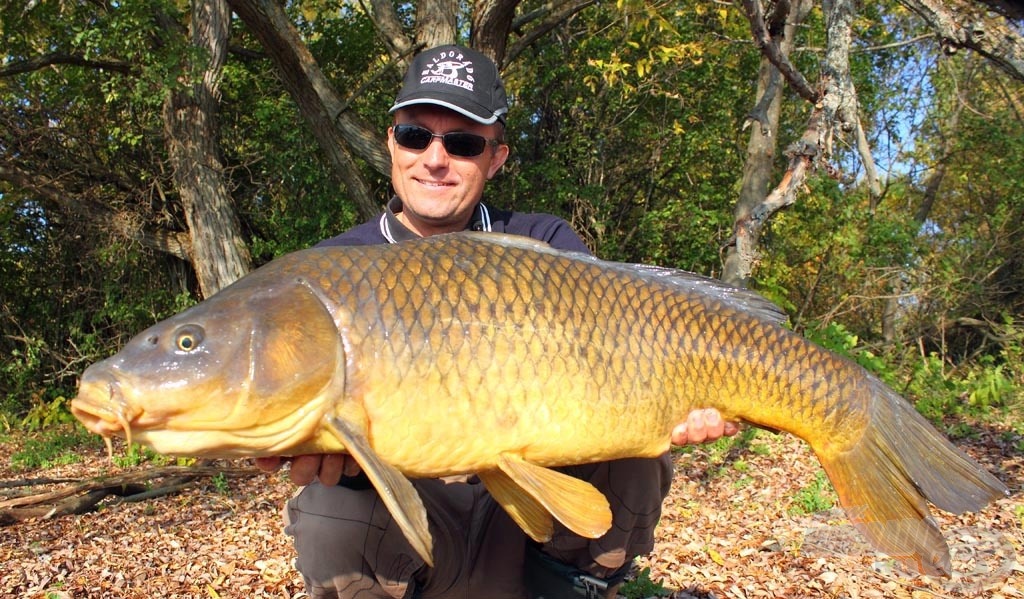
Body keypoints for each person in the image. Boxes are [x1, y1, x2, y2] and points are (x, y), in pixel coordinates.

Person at [256, 44, 737, 599]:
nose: (435, 159)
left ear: (496, 158)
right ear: (391, 142)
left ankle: (570, 586)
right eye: (416, 136)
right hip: (420, 527)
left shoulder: (545, 244)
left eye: (462, 143)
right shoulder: (334, 271)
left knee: (634, 448)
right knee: (326, 504)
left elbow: (631, 352)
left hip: (531, 527)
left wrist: (684, 405)